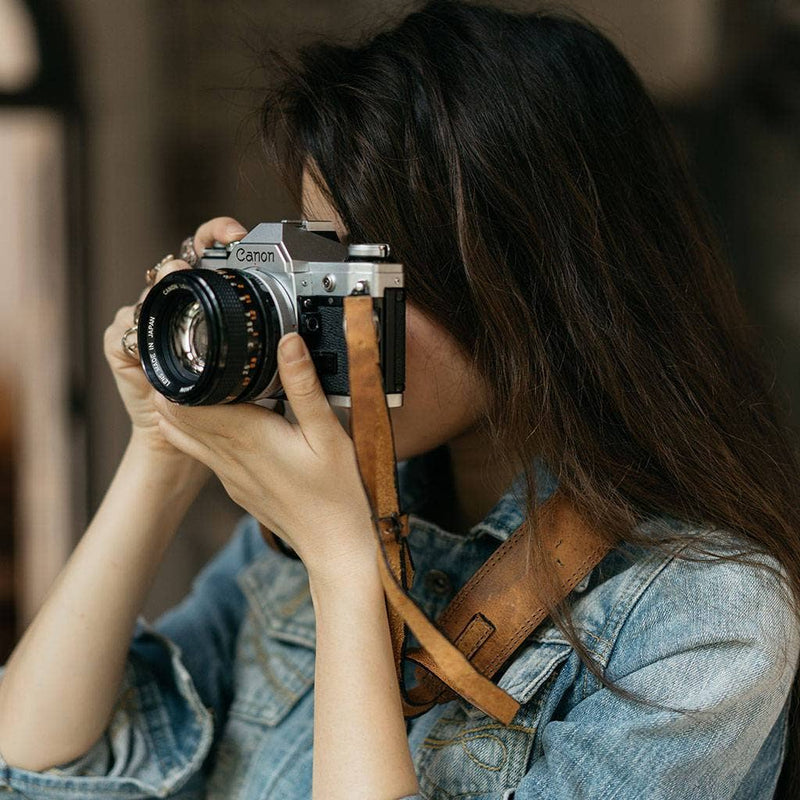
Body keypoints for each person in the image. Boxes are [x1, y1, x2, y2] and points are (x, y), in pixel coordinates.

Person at [0, 1, 798, 798]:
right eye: (319, 259)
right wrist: (163, 451)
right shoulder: (313, 520)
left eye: (367, 272)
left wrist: (344, 565)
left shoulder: (705, 619)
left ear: (536, 287)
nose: (332, 312)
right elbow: (33, 767)